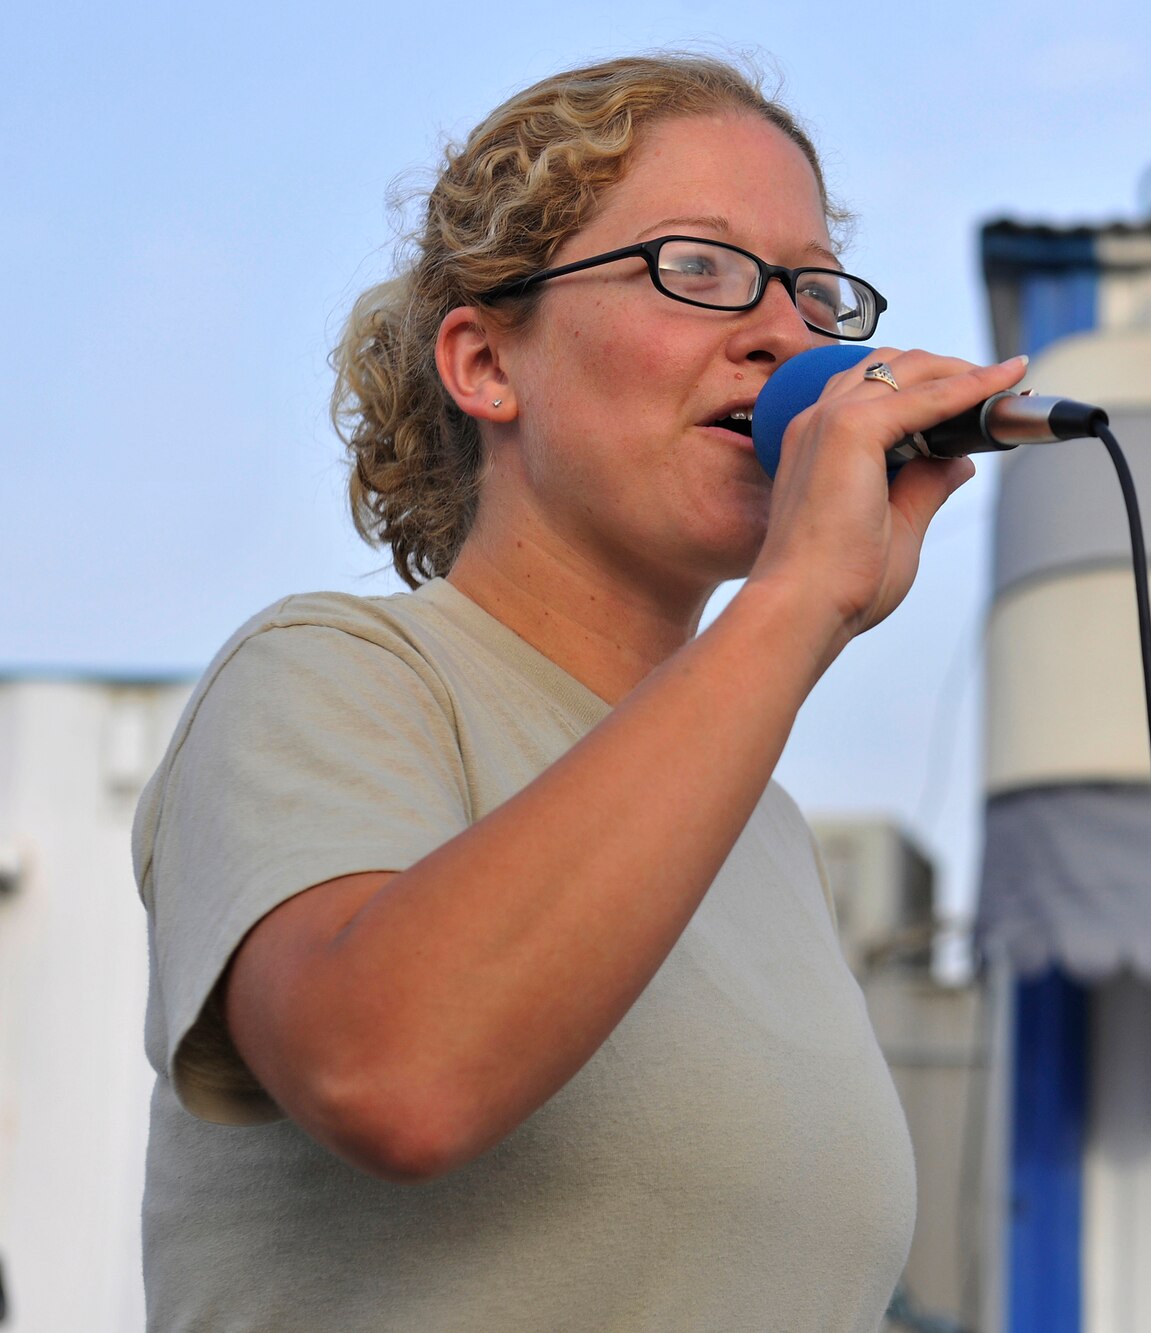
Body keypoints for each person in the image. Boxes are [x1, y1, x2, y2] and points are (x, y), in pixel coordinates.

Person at [132, 53, 1024, 1332]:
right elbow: (393, 1072)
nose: (784, 334)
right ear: (487, 362)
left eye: (815, 290)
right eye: (695, 266)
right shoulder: (334, 678)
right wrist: (797, 601)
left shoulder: (760, 833)